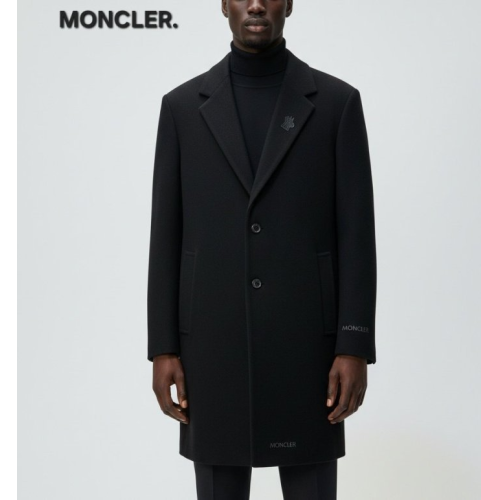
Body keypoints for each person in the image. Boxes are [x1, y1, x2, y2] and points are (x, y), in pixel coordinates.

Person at [148, 1, 377, 498]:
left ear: (289, 4)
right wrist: (163, 347)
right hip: (211, 347)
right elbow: (166, 234)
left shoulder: (336, 103)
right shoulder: (182, 108)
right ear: (224, 5)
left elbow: (357, 234)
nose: (255, 3)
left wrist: (354, 344)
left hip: (310, 348)